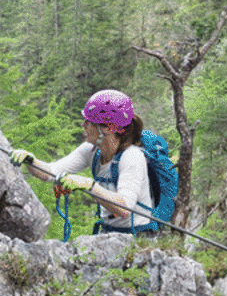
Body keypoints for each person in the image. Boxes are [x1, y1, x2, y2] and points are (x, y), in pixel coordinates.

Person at [10, 89, 154, 235]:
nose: (83, 125)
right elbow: (51, 172)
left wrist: (89, 185)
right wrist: (30, 160)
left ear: (109, 128)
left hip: (138, 237)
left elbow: (124, 208)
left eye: (89, 122)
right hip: (109, 233)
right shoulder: (91, 151)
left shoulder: (132, 157)